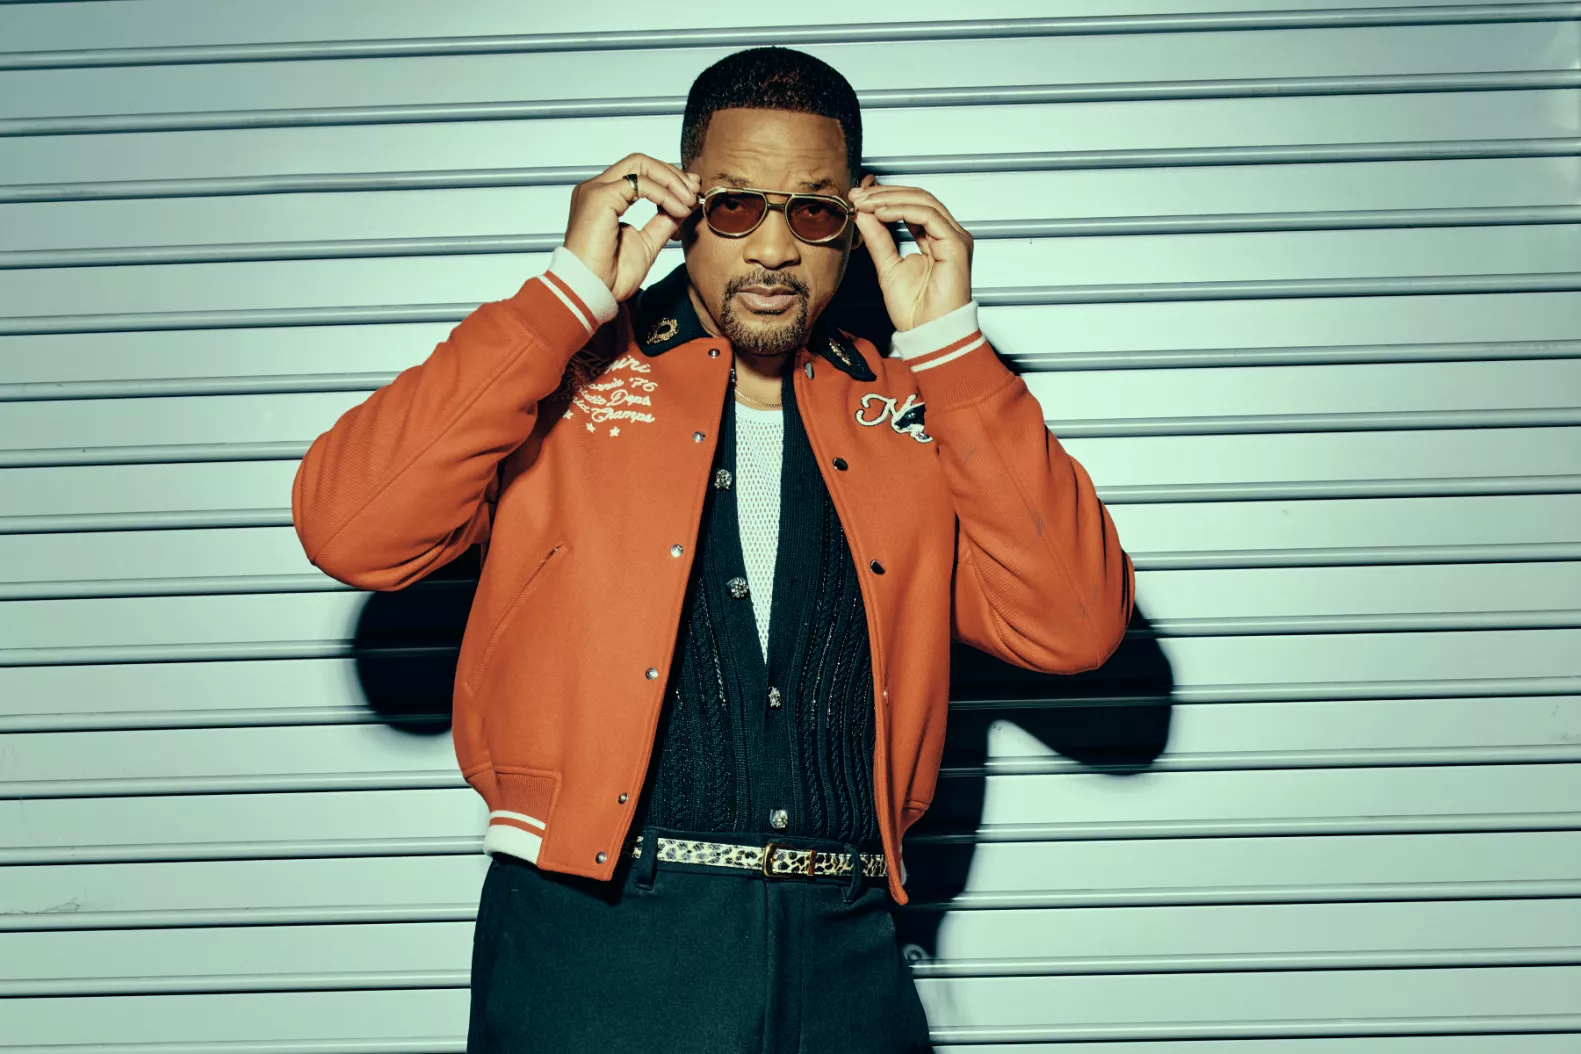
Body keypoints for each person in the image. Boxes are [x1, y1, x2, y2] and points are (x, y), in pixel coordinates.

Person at [292, 45, 1134, 1054]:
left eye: (812, 213)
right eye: (735, 207)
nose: (773, 249)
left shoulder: (913, 405)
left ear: (858, 216)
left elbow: (1073, 626)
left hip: (848, 946)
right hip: (595, 937)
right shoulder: (566, 376)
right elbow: (352, 530)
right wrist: (566, 295)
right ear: (683, 202)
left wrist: (950, 348)